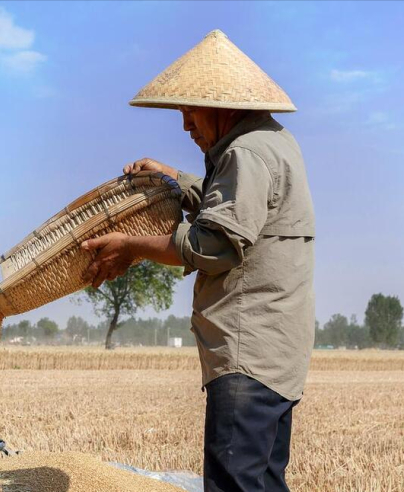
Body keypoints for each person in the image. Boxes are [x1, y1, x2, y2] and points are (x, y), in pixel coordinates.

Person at [81, 30, 315, 492]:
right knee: (264, 482)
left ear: (222, 105)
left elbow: (213, 245)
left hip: (248, 354)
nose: (186, 124)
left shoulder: (245, 154)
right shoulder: (270, 141)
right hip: (277, 355)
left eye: (190, 110)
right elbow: (229, 204)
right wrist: (172, 176)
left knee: (235, 483)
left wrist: (131, 244)